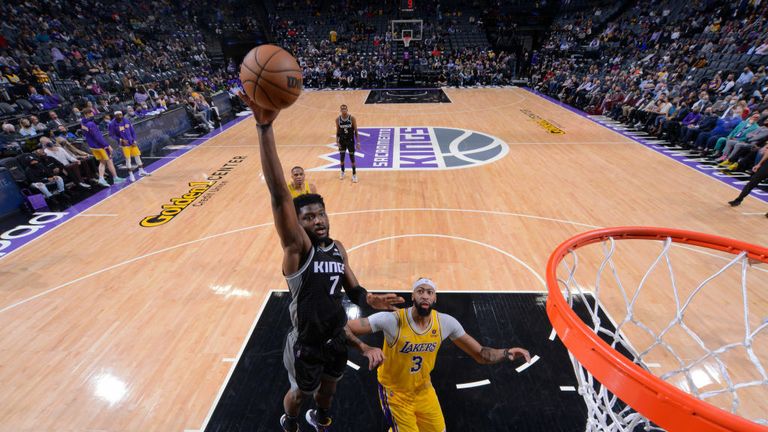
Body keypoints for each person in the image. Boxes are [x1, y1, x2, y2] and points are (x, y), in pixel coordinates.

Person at [237, 91, 404, 432]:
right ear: (297, 224)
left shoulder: (338, 248)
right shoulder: (297, 251)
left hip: (336, 338)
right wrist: (264, 127)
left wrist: (371, 300)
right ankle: (292, 418)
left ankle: (321, 416)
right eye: (309, 216)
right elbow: (278, 195)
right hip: (306, 344)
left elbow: (354, 290)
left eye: (321, 214)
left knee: (329, 391)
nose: (318, 220)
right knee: (300, 393)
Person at [348, 277, 532, 432]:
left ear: (435, 298)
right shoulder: (391, 320)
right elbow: (345, 328)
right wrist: (365, 348)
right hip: (395, 393)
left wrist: (507, 353)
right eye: (420, 291)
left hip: (423, 389)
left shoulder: (445, 323)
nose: (425, 295)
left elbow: (481, 354)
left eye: (429, 292)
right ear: (413, 296)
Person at [81, 107, 124, 187]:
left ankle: (109, 178)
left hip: (92, 146)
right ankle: (108, 178)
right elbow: (98, 137)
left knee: (105, 161)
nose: (93, 114)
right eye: (91, 113)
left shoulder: (83, 124)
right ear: (86, 114)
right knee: (106, 161)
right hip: (99, 146)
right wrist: (107, 145)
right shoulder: (91, 124)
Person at [109, 111, 149, 181]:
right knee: (128, 159)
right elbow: (111, 135)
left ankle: (141, 171)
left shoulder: (126, 120)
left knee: (137, 156)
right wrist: (121, 140)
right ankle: (131, 175)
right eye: (118, 115)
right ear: (115, 116)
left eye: (120, 115)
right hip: (124, 144)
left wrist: (134, 140)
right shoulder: (112, 124)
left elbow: (132, 131)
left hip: (132, 142)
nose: (119, 116)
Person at [336, 104, 361, 183]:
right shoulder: (337, 119)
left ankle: (354, 174)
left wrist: (358, 142)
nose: (343, 110)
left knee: (352, 158)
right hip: (342, 141)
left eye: (345, 109)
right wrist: (337, 141)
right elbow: (337, 131)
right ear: (340, 110)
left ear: (347, 110)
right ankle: (342, 171)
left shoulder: (352, 118)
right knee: (342, 158)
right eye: (342, 109)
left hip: (350, 141)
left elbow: (356, 131)